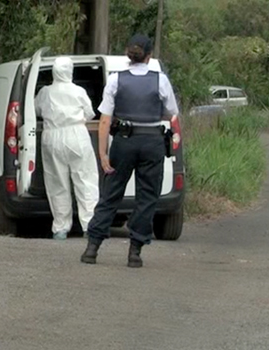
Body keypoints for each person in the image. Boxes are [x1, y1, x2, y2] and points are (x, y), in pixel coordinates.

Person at [80, 34, 179, 267]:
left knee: (111, 193)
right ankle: (135, 251)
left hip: (124, 141)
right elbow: (171, 111)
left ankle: (92, 247)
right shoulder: (160, 80)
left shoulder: (116, 80)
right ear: (149, 55)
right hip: (152, 141)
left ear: (128, 54)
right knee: (147, 196)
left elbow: (105, 120)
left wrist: (103, 153)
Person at [35, 56, 100, 241]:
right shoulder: (79, 91)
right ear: (70, 71)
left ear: (54, 72)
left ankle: (61, 228)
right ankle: (89, 226)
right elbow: (90, 113)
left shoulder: (45, 92)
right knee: (85, 180)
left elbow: (36, 110)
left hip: (52, 136)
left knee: (57, 182)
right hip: (77, 135)